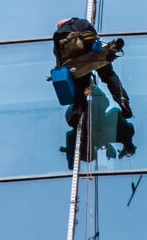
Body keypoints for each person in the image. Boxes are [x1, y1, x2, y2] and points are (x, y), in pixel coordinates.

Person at [52, 16, 136, 160]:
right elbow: (93, 36)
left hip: (76, 59)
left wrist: (60, 70)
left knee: (81, 85)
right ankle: (123, 101)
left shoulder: (60, 33)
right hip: (94, 51)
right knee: (109, 76)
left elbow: (58, 55)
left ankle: (77, 110)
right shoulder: (83, 22)